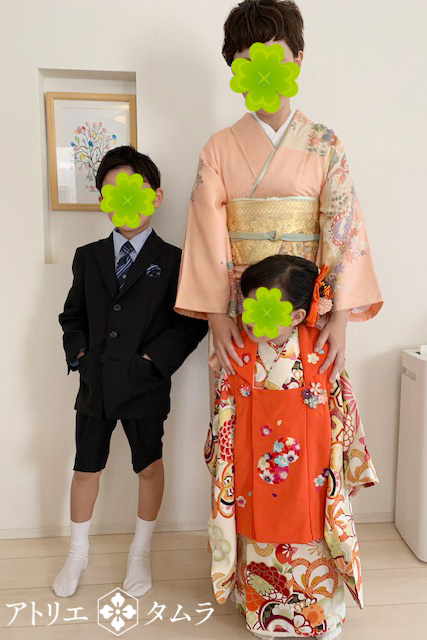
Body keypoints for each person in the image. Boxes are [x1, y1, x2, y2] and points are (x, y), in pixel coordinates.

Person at [174, 0, 383, 413]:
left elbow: (343, 229)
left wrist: (339, 317)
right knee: (245, 417)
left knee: (308, 419)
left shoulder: (324, 143)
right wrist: (218, 316)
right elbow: (205, 235)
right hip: (243, 310)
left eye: (272, 59)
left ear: (297, 60)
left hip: (307, 309)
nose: (262, 73)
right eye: (247, 63)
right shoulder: (218, 148)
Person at [54, 146, 207, 598]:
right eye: (112, 191)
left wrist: (152, 362)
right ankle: (77, 552)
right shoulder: (88, 257)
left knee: (149, 466)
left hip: (145, 386)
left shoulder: (175, 260)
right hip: (95, 383)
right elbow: (72, 316)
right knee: (86, 467)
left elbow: (189, 322)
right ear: (102, 199)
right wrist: (80, 356)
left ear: (155, 196)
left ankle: (140, 551)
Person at [204, 254, 379, 639]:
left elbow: (343, 407)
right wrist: (223, 454)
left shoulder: (323, 349)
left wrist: (344, 461)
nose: (251, 320)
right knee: (256, 537)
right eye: (249, 308)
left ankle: (318, 616)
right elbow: (225, 410)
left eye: (265, 311)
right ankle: (262, 613)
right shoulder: (239, 350)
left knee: (313, 537)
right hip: (252, 468)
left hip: (311, 472)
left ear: (298, 316)